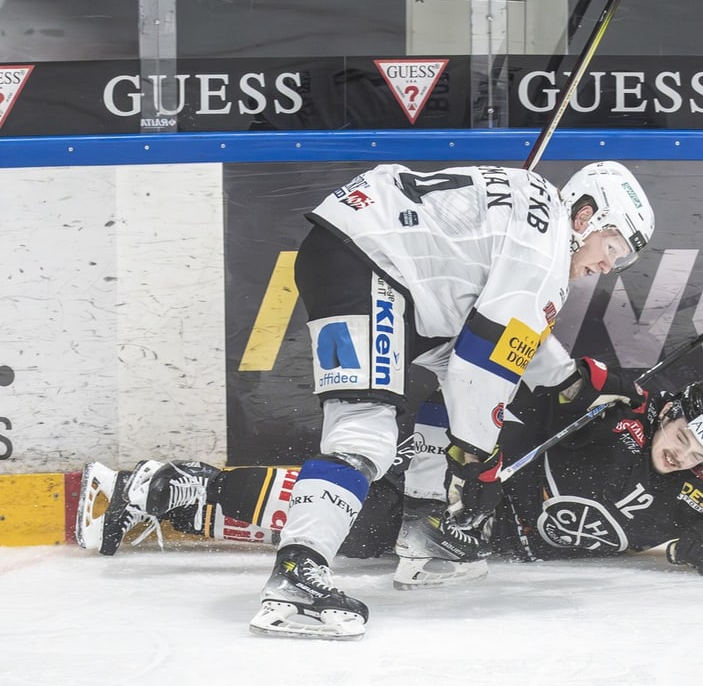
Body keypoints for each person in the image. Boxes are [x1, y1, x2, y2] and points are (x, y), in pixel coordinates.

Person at [240, 160, 653, 638]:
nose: (608, 266)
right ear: (585, 216)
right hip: (371, 264)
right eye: (613, 246)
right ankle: (298, 573)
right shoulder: (545, 255)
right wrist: (481, 462)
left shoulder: (535, 201)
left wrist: (568, 382)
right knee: (364, 429)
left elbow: (495, 332)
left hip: (371, 257)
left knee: (446, 372)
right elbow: (482, 368)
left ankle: (424, 529)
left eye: (622, 260)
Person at [77, 373, 703, 588]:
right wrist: (604, 391)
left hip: (475, 546)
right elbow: (530, 390)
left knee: (350, 529)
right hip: (460, 494)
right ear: (666, 410)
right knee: (348, 497)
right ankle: (165, 488)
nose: (684, 456)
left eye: (701, 451)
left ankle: (179, 500)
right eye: (682, 435)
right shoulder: (615, 416)